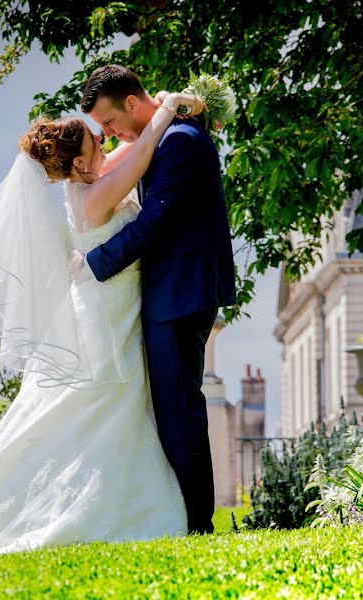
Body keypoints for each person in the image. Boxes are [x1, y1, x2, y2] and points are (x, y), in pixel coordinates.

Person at [0, 82, 209, 554]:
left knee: (98, 410)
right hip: (108, 315)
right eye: (98, 141)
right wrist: (170, 105)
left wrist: (156, 102)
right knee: (98, 406)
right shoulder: (95, 196)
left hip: (114, 306)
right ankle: (105, 507)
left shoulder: (90, 183)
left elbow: (132, 149)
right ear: (80, 162)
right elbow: (139, 155)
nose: (107, 141)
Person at [74, 65, 237, 535]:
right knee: (171, 405)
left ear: (130, 103)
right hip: (173, 291)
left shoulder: (179, 142)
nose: (108, 134)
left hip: (181, 293)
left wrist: (94, 263)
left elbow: (155, 224)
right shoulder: (165, 135)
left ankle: (196, 524)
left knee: (178, 406)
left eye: (108, 123)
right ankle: (184, 518)